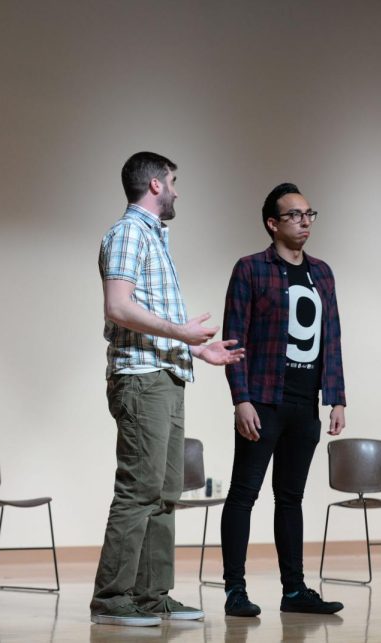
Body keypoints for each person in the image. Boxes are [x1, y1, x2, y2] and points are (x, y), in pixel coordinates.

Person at [91, 151, 245, 627]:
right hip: (141, 380)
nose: (177, 189)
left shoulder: (154, 238)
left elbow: (148, 318)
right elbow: (118, 307)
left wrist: (198, 351)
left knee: (165, 491)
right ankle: (112, 600)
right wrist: (181, 335)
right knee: (139, 488)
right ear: (156, 184)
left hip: (168, 374)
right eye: (174, 181)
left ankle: (151, 595)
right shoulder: (127, 234)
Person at [220, 182, 346, 617]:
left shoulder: (322, 273)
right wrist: (242, 399)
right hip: (264, 401)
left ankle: (294, 591)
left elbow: (332, 337)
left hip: (304, 405)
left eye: (309, 213)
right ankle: (235, 591)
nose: (304, 221)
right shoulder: (251, 269)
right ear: (273, 223)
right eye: (294, 215)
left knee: (290, 498)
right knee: (243, 495)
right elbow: (234, 339)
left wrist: (337, 398)